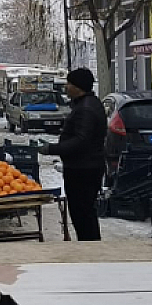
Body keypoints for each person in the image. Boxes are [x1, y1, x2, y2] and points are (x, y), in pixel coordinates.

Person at [43, 67, 106, 241]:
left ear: (78, 87)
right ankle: (89, 245)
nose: (66, 87)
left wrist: (52, 149)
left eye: (69, 84)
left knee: (82, 213)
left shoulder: (85, 109)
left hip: (83, 169)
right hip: (86, 166)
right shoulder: (89, 104)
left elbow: (81, 141)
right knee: (84, 212)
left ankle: (89, 248)